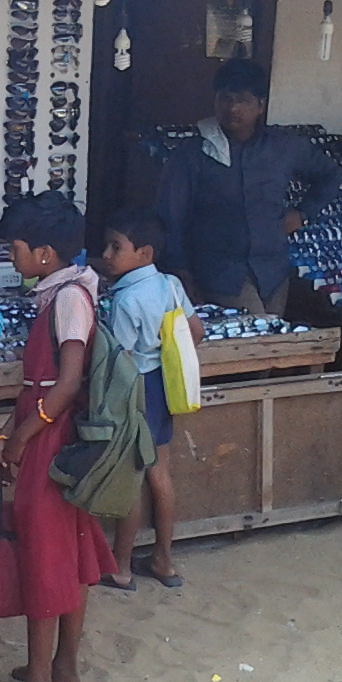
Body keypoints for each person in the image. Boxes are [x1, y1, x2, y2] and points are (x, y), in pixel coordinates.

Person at [0, 190, 115, 682]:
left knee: (45, 560)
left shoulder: (69, 299)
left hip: (53, 441)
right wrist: (13, 428)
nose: (13, 256)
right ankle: (65, 669)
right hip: (51, 433)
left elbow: (67, 379)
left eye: (17, 247)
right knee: (69, 554)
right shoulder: (65, 291)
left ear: (45, 255)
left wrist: (27, 434)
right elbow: (41, 383)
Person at [156, 57, 340, 315]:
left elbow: (330, 175)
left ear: (260, 105)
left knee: (269, 343)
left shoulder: (282, 147)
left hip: (273, 270)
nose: (233, 108)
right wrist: (180, 272)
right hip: (221, 272)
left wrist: (303, 214)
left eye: (242, 100)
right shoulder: (194, 154)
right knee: (255, 337)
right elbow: (170, 216)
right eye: (225, 99)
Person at [98, 208, 204, 591]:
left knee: (130, 477)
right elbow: (196, 331)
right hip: (163, 386)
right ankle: (164, 561)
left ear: (143, 253)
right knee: (160, 473)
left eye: (116, 247)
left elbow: (120, 361)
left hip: (136, 390)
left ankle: (122, 567)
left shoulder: (125, 300)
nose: (106, 254)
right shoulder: (170, 284)